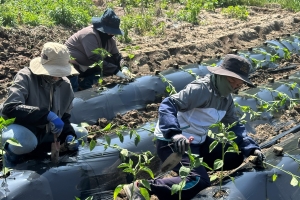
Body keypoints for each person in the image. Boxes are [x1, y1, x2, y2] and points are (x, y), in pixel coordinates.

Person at [122, 54, 265, 200]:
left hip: (197, 141)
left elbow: (234, 124)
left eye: (239, 83)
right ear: (221, 75)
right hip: (175, 143)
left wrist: (251, 147)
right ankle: (143, 186)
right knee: (200, 182)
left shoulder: (226, 99)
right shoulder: (201, 89)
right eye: (233, 81)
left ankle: (194, 170)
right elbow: (168, 104)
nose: (236, 86)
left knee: (235, 156)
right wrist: (174, 133)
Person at [1, 42, 88, 166]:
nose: (57, 76)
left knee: (80, 134)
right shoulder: (26, 77)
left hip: (46, 133)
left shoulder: (65, 85)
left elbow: (64, 117)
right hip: (23, 129)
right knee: (26, 142)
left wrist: (69, 134)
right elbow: (10, 108)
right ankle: (12, 164)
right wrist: (46, 115)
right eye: (53, 71)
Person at [65, 8, 135, 92]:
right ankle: (74, 91)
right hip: (73, 65)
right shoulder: (89, 34)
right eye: (109, 31)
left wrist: (124, 67)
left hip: (87, 66)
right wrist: (116, 71)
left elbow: (117, 56)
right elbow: (94, 56)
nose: (111, 34)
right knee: (109, 67)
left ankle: (84, 85)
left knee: (112, 63)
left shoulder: (110, 40)